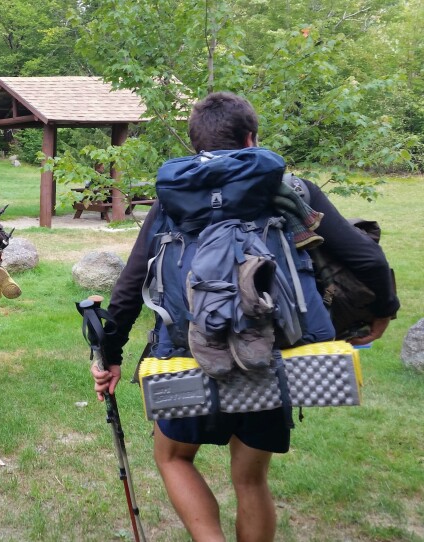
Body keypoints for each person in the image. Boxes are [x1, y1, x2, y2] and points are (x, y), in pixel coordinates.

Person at [93, 92, 399, 541]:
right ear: (251, 138)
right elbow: (365, 256)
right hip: (273, 353)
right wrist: (383, 311)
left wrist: (110, 353)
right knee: (251, 479)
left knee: (174, 458)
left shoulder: (172, 199)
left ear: (196, 145)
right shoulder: (291, 190)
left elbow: (130, 285)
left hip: (187, 351)